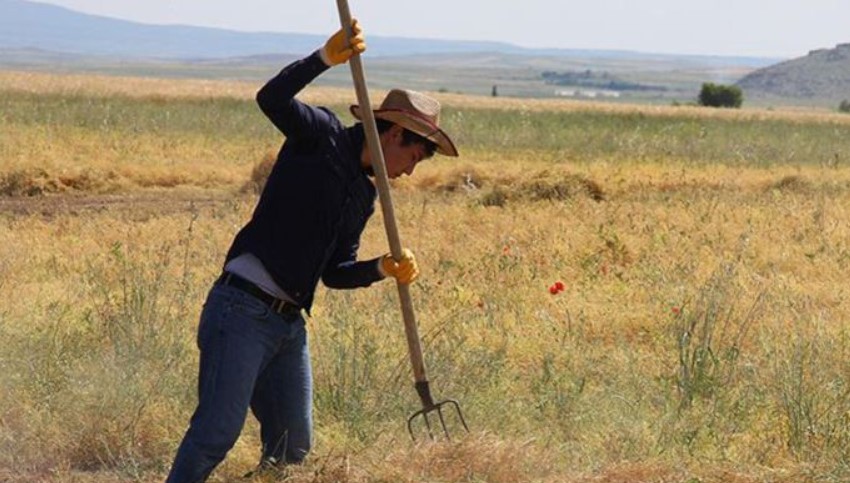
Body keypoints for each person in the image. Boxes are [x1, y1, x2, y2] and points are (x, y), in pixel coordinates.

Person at [165, 19, 458, 483]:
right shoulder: (319, 135)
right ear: (394, 136)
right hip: (241, 309)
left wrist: (380, 268)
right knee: (215, 435)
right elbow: (270, 99)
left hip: (288, 326)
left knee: (292, 448)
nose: (410, 172)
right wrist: (322, 60)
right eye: (415, 158)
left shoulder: (365, 196)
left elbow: (335, 272)